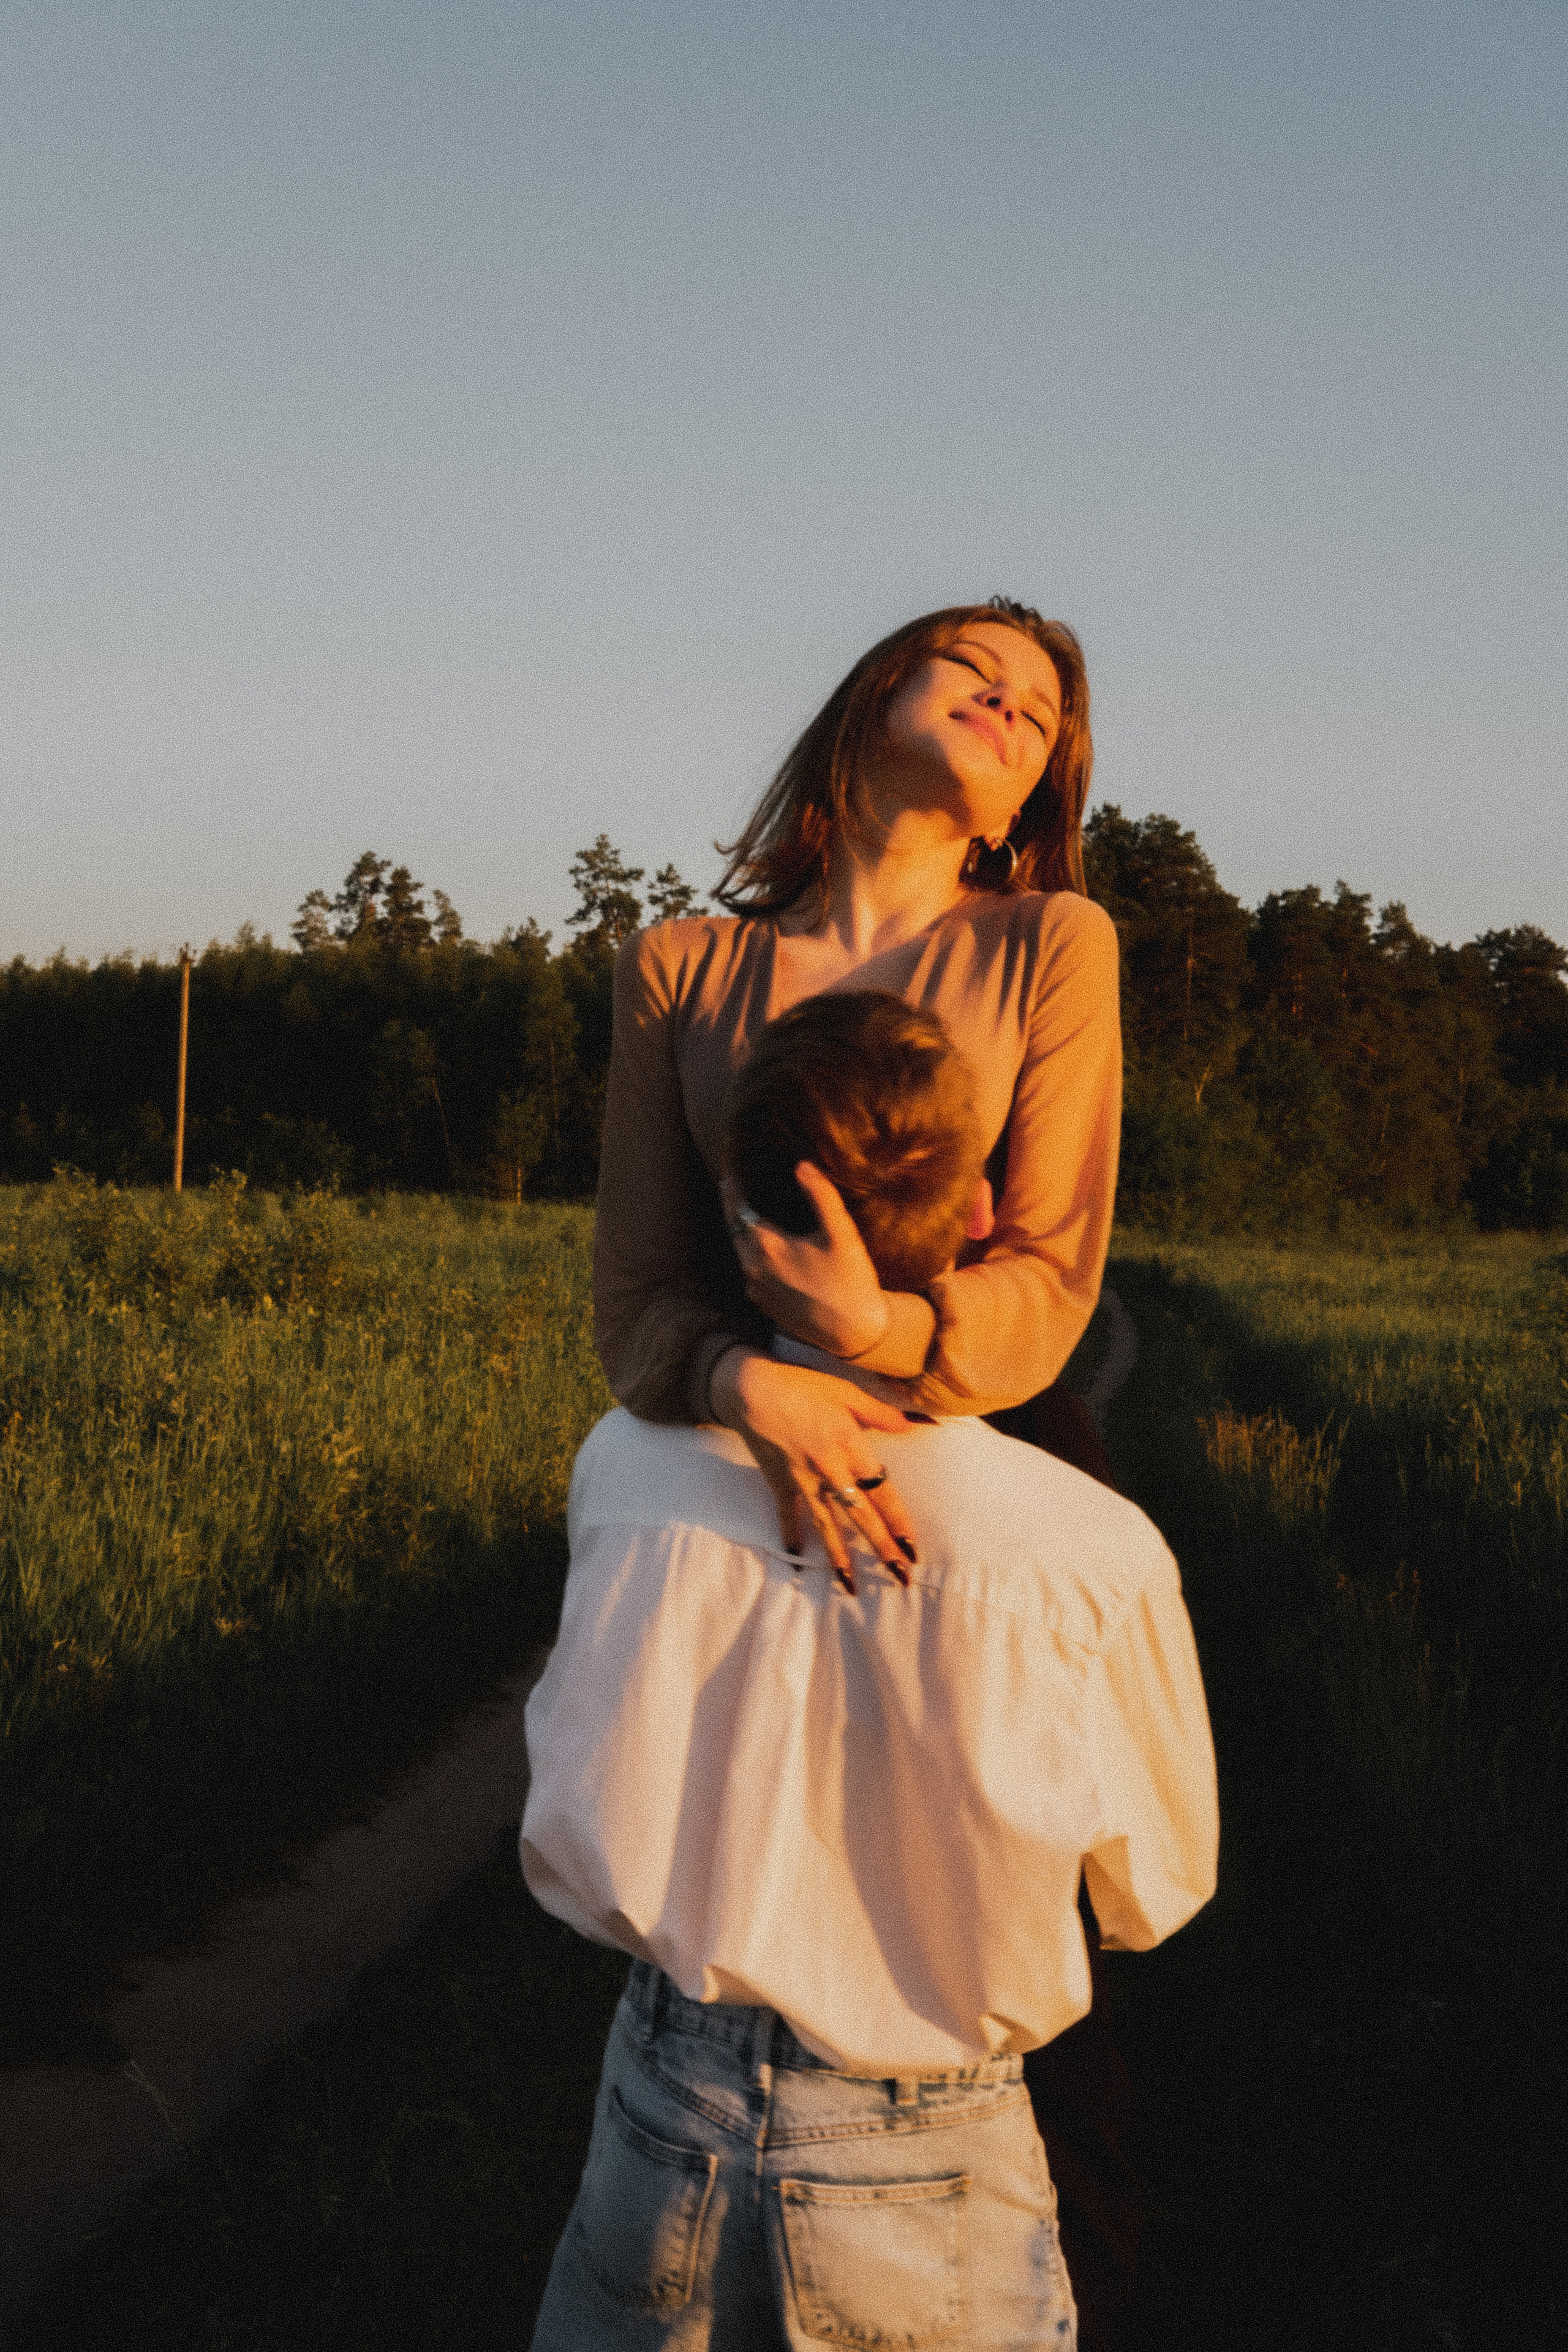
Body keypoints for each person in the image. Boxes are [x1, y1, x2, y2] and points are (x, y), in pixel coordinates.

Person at [590, 598, 1135, 2334]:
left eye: (1041, 708)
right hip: (741, 1467)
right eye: (973, 664)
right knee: (725, 1882)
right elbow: (636, 1297)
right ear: (869, 696)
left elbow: (1050, 1276)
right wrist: (755, 1381)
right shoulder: (682, 966)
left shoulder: (1052, 943)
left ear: (1031, 791)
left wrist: (883, 1351)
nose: (1009, 699)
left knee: (944, 1926)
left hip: (964, 1472)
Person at [522, 993, 1218, 2350]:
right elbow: (1154, 1889)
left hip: (663, 2101)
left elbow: (570, 1796)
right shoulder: (1091, 1549)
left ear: (742, 1208)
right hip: (931, 2137)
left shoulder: (622, 1467)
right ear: (974, 1219)